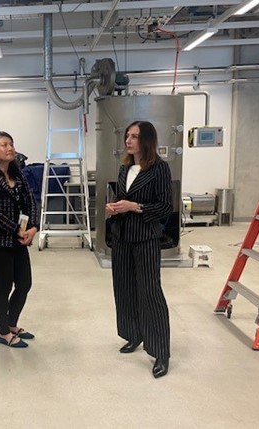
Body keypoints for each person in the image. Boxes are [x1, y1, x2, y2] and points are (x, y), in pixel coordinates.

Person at [105, 120, 173, 379]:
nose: (128, 141)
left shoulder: (160, 169)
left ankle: (161, 352)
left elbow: (166, 206)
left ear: (147, 141)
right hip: (122, 237)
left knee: (150, 293)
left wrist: (134, 207)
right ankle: (134, 335)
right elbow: (121, 198)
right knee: (124, 289)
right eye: (127, 136)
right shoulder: (124, 169)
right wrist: (114, 208)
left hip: (145, 238)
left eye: (134, 137)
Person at [0, 131, 38, 349]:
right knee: (4, 286)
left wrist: (33, 227)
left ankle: (12, 324)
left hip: (17, 239)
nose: (10, 148)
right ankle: (3, 332)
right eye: (4, 145)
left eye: (11, 144)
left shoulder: (18, 174)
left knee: (24, 283)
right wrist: (17, 230)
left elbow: (31, 202)